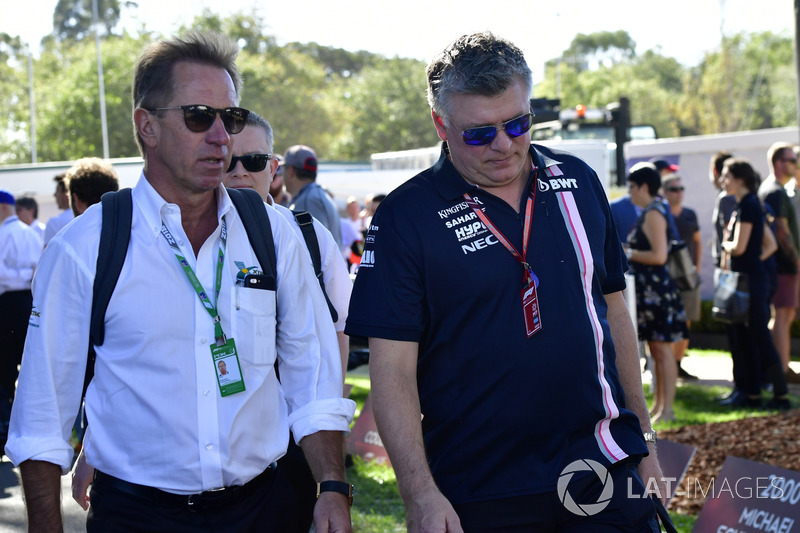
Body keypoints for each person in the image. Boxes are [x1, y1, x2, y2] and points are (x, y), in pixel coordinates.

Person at [6, 31, 355, 533]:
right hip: (136, 516)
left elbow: (311, 376)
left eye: (230, 118)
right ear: (146, 126)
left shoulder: (274, 233)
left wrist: (332, 488)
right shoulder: (85, 248)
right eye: (198, 116)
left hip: (264, 509)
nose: (221, 136)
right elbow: (42, 414)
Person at [345, 32, 665, 532]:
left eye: (518, 124)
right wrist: (419, 494)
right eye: (479, 133)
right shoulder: (407, 215)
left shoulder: (577, 181)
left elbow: (614, 314)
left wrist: (643, 438)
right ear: (441, 125)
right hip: (483, 484)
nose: (503, 144)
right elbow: (391, 371)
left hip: (603, 465)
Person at [720, 158, 789, 409]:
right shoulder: (747, 204)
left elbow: (739, 247)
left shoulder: (749, 204)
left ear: (739, 179)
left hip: (751, 283)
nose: (722, 181)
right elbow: (764, 246)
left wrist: (725, 244)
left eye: (726, 176)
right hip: (749, 280)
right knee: (747, 337)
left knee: (759, 335)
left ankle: (780, 395)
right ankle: (752, 395)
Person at [624, 163, 689, 424]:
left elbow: (659, 256)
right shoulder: (654, 210)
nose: (629, 193)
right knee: (656, 351)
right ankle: (660, 406)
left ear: (643, 187)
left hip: (657, 293)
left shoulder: (653, 213)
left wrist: (627, 252)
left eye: (631, 187)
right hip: (652, 293)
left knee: (662, 352)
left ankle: (668, 408)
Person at [0, 190, 43, 445]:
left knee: (5, 365)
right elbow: (38, 268)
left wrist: (16, 276)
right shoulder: (31, 232)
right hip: (29, 300)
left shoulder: (5, 233)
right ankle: (25, 423)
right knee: (27, 362)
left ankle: (6, 424)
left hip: (7, 303)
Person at [757, 142, 800, 376]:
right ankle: (782, 370)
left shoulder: (772, 189)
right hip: (783, 265)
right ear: (778, 163)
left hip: (779, 265)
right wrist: (797, 261)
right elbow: (782, 231)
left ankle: (780, 367)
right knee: (783, 315)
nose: (796, 164)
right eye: (792, 160)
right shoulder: (775, 191)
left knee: (783, 315)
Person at [661, 173, 701, 381]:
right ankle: (666, 364)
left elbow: (697, 241)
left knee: (687, 320)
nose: (679, 193)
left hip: (688, 276)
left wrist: (696, 269)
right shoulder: (660, 213)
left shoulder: (690, 215)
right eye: (674, 189)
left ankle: (679, 363)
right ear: (665, 192)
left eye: (681, 189)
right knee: (668, 322)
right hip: (667, 276)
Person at [283, 144, 343, 249]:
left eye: (284, 168)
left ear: (291, 171)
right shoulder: (317, 194)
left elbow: (316, 249)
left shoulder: (308, 200)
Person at [43, 173, 74, 244]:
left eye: (57, 190)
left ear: (66, 193)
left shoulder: (54, 223)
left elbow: (47, 254)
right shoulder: (90, 216)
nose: (54, 195)